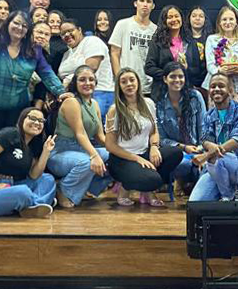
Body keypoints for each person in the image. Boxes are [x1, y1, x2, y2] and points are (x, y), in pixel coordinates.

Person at [0, 10, 65, 155]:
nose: (20, 28)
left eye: (24, 26)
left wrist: (61, 92)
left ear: (28, 30)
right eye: (16, 23)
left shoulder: (34, 49)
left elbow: (47, 73)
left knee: (13, 148)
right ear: (8, 23)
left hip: (18, 109)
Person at [104, 68, 183, 207]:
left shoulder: (148, 103)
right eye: (124, 82)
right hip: (122, 159)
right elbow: (110, 146)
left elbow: (154, 131)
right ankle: (125, 187)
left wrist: (154, 147)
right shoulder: (114, 110)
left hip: (144, 152)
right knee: (153, 181)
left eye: (132, 80)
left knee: (175, 153)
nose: (129, 84)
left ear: (138, 82)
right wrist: (136, 159)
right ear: (119, 86)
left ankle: (147, 190)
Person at [0, 107, 57, 218]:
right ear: (22, 119)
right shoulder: (10, 133)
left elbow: (34, 175)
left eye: (41, 121)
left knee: (47, 179)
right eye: (32, 118)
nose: (37, 123)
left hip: (11, 186)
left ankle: (32, 206)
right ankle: (36, 202)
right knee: (23, 192)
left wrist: (46, 151)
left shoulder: (33, 145)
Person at [189, 73, 238, 201]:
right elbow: (205, 139)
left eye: (221, 86)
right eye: (213, 86)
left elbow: (237, 140)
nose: (216, 89)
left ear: (230, 90)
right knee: (195, 202)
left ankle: (228, 196)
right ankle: (226, 192)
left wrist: (207, 155)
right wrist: (210, 146)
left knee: (217, 159)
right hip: (216, 168)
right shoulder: (209, 115)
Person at [47, 65, 111, 207]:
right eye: (82, 80)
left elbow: (100, 136)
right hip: (61, 152)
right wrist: (94, 155)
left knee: (115, 157)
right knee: (87, 162)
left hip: (83, 150)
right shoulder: (71, 102)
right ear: (75, 83)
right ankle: (62, 190)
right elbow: (80, 133)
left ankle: (88, 189)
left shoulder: (94, 104)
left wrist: (120, 150)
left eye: (91, 79)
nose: (87, 83)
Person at [155, 62, 206, 200]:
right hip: (177, 152)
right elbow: (161, 139)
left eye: (180, 76)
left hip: (199, 148)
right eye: (173, 76)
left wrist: (201, 148)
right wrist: (184, 147)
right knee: (182, 164)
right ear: (165, 79)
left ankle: (190, 184)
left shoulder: (195, 96)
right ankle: (182, 181)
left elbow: (204, 126)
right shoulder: (159, 103)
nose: (177, 80)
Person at [58, 18, 115, 117]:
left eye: (70, 31)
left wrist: (68, 81)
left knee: (95, 124)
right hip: (75, 95)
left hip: (98, 92)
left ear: (79, 30)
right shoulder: (66, 54)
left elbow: (91, 67)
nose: (67, 35)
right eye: (63, 33)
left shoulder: (92, 41)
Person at [203, 6, 238, 108]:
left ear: (236, 22)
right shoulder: (212, 39)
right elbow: (210, 66)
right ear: (219, 22)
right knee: (219, 117)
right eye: (224, 19)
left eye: (231, 19)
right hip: (218, 87)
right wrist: (220, 71)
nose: (228, 22)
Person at [109, 0, 157, 95]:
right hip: (126, 83)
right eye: (142, 0)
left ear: (153, 6)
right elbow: (114, 53)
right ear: (135, 3)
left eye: (149, 1)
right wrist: (119, 78)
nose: (145, 4)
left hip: (148, 85)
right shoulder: (123, 24)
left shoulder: (156, 30)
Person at [144, 5, 189, 101]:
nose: (174, 19)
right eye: (170, 17)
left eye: (176, 16)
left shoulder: (189, 41)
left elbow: (196, 68)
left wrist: (186, 69)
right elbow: (148, 68)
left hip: (184, 92)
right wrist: (169, 74)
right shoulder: (157, 41)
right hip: (161, 92)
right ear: (164, 21)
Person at [184, 5, 209, 95]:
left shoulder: (211, 39)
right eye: (194, 16)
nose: (197, 19)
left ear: (205, 20)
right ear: (189, 18)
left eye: (201, 16)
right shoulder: (182, 39)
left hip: (207, 84)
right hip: (186, 83)